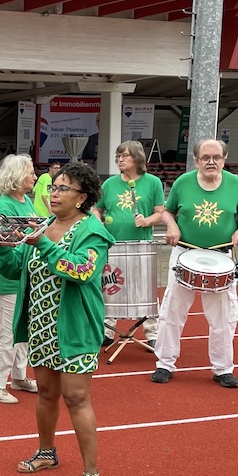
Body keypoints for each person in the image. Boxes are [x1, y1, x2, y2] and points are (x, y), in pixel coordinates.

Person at [0, 161, 115, 476]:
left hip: (75, 328)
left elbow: (81, 271)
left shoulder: (92, 231)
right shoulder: (43, 225)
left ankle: (91, 474)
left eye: (63, 188)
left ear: (82, 197)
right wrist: (1, 248)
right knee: (47, 393)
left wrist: (44, 246)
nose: (54, 193)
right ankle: (46, 451)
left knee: (76, 397)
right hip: (42, 325)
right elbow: (17, 268)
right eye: (53, 187)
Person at [152, 138, 238, 389]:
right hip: (184, 253)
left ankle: (223, 368)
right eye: (205, 157)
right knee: (172, 311)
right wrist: (171, 225)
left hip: (221, 257)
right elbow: (168, 211)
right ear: (196, 160)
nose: (211, 161)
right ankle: (165, 364)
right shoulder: (183, 182)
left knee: (223, 316)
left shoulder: (235, 184)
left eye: (216, 157)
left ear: (224, 159)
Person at [93, 140, 165, 349]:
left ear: (137, 158)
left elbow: (161, 212)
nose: (120, 160)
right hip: (112, 244)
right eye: (118, 156)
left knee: (146, 288)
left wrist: (147, 221)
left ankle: (152, 332)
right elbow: (97, 208)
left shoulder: (153, 182)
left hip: (142, 245)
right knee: (110, 286)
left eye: (125, 156)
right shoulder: (109, 184)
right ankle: (107, 331)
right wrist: (98, 223)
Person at [0, 154, 39, 404]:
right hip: (7, 275)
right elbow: (1, 245)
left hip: (23, 274)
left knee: (22, 330)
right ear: (17, 176)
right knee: (8, 333)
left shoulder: (26, 200)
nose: (35, 177)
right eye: (30, 172)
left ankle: (18, 377)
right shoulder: (3, 205)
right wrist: (19, 259)